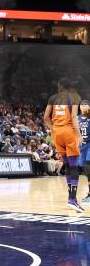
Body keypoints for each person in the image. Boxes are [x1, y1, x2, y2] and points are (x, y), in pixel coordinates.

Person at [44, 78, 83, 212]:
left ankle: (72, 199)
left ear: (60, 86)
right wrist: (78, 134)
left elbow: (45, 118)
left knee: (66, 165)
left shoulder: (53, 98)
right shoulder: (74, 98)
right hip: (68, 132)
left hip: (57, 133)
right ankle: (72, 199)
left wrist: (53, 128)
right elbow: (73, 118)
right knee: (74, 166)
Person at [78, 100, 90, 204]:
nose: (83, 106)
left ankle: (89, 194)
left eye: (86, 104)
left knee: (88, 168)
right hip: (80, 148)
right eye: (82, 105)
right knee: (85, 170)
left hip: (89, 146)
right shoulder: (76, 119)